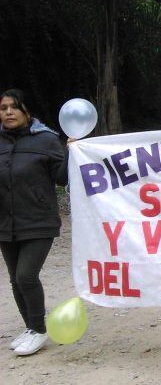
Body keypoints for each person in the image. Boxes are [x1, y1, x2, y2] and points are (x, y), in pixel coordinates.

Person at [0, 89, 70, 356]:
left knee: (26, 275)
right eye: (4, 108)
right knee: (15, 281)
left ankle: (39, 330)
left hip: (38, 221)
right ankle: (30, 328)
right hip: (5, 223)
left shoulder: (46, 140)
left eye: (14, 107)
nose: (8, 112)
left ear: (27, 112)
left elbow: (62, 179)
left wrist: (72, 150)